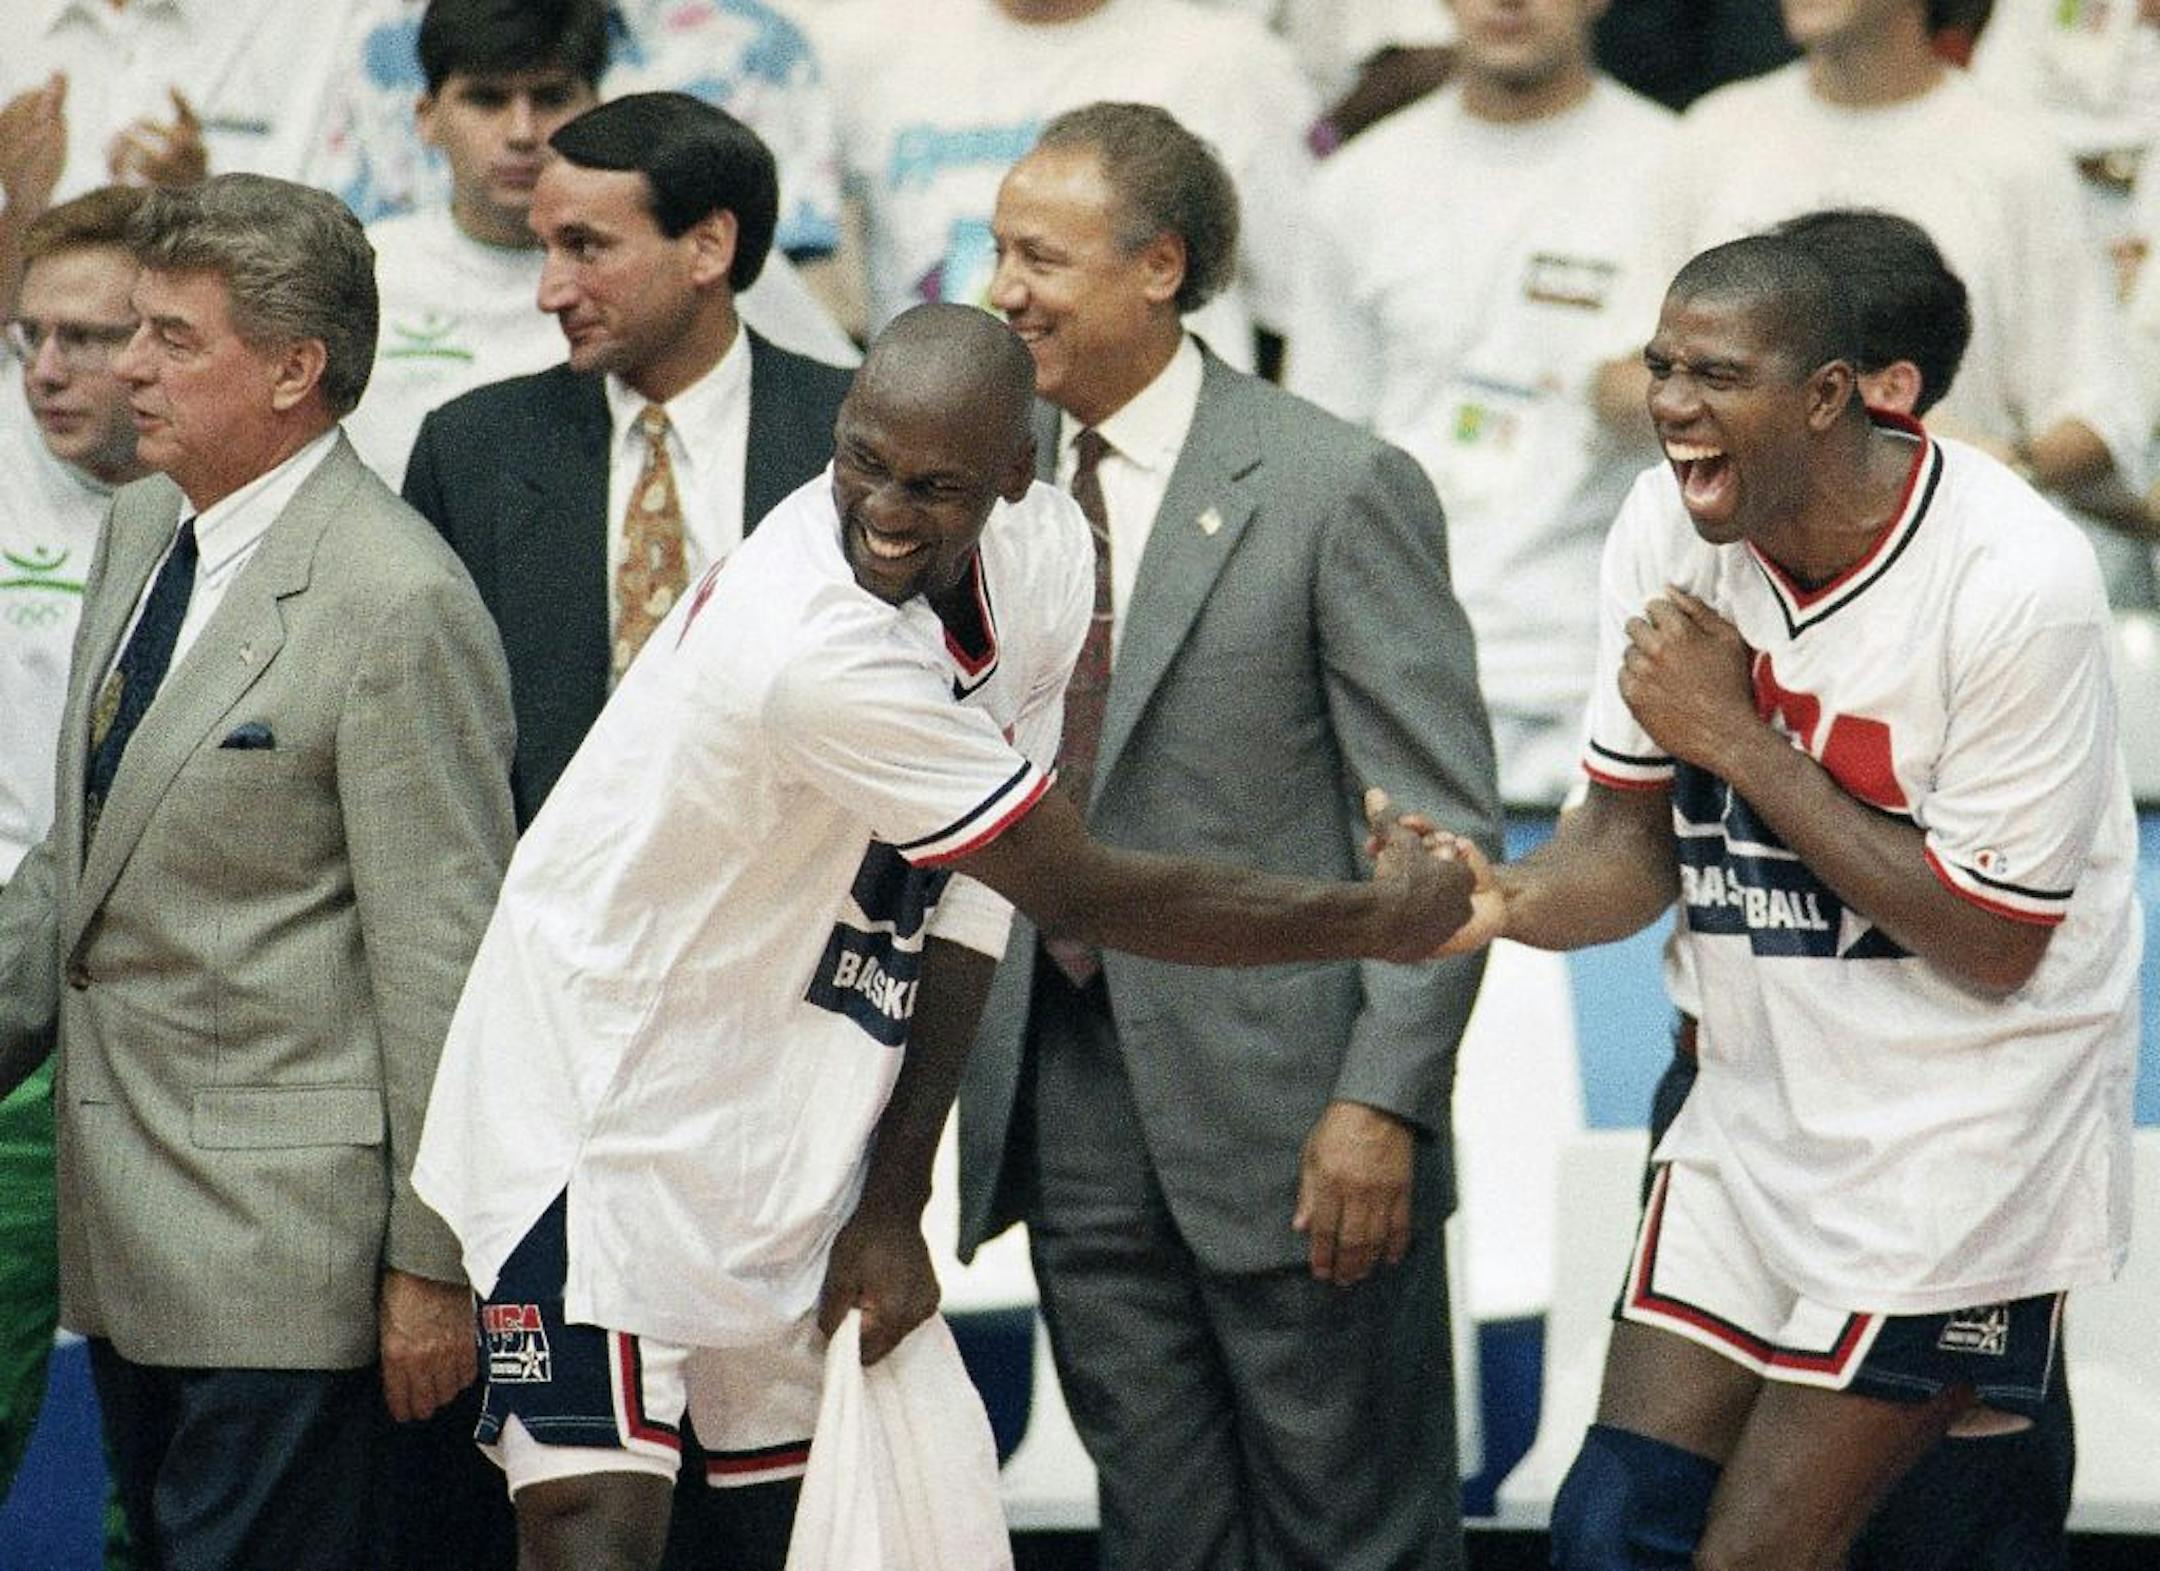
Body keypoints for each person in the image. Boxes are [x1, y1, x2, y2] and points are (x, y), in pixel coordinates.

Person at [409, 301, 1481, 1571]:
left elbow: (981, 899)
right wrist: (1377, 917)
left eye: (935, 484)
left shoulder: (1043, 559)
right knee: (594, 1525)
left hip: (782, 1103)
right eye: (861, 459)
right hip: (596, 1102)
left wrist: (895, 1193)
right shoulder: (811, 642)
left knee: (798, 1524)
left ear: (1018, 478)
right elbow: (1081, 889)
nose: (886, 509)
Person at [1431, 233, 2139, 1571]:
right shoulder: (1667, 521)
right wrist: (1501, 897)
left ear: (1833, 394)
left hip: (1960, 1145)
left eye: (1717, 373)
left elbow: (1993, 939)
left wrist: (1744, 738)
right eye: (1660, 366)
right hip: (1753, 1112)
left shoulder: (2016, 580)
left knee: (1774, 1549)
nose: (1673, 402)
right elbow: (1628, 847)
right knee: (1606, 1530)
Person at [960, 103, 1499, 1571]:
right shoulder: (989, 486)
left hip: (1298, 1109)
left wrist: (1382, 1100)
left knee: (1356, 1535)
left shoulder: (1334, 483)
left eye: (1041, 256)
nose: (1003, 288)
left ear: (1160, 267)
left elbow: (1441, 841)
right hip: (1064, 1089)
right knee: (1160, 1530)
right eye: (998, 250)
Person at [0, 172, 518, 1569]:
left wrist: (430, 1263)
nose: (128, 366)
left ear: (296, 369)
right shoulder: (137, 526)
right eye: (130, 331)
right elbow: (77, 858)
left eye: (173, 337)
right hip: (131, 1237)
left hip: (294, 1265)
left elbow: (443, 961)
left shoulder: (396, 597)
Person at [1596, 0, 2157, 603]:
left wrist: (1992, 460)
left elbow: (2102, 416)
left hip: (1943, 587)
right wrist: (1737, 405)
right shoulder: (1716, 131)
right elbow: (1615, 377)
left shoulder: (2016, 156)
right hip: (1738, 590)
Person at [404, 92, 854, 828]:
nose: (550, 291)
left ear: (707, 247)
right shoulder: (471, 452)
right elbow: (433, 752)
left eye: (586, 247)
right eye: (545, 247)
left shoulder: (849, 446)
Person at [1292, 0, 1674, 808]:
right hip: (1396, 699)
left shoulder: (1679, 170)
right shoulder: (1355, 186)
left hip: (1617, 692)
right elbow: (1314, 470)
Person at [0, 184, 149, 1524]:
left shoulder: (239, 512)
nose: (48, 369)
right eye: (27, 335)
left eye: (90, 339)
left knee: (162, 1437)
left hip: (178, 1018)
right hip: (5, 1018)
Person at [810, 0, 1315, 370]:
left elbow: (1296, 308)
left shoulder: (1226, 60)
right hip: (937, 463)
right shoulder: (862, 48)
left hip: (1157, 462)